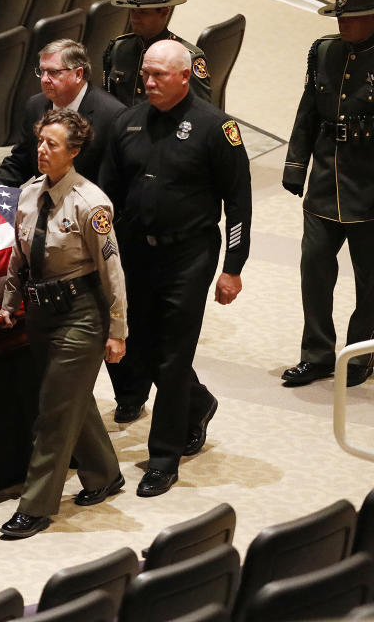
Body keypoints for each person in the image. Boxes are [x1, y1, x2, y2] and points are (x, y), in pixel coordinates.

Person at [99, 40, 251, 497]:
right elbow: (107, 197)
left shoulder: (216, 128)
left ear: (185, 76)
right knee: (139, 348)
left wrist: (233, 266)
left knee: (173, 352)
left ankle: (164, 458)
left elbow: (238, 203)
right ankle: (199, 401)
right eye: (145, 74)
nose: (147, 82)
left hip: (190, 255)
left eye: (158, 75)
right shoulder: (126, 123)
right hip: (136, 253)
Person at [0, 109, 127, 538]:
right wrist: (9, 301)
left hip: (80, 314)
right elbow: (20, 254)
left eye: (52, 144)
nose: (42, 150)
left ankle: (35, 507)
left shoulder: (91, 204)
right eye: (40, 142)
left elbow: (112, 273)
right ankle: (105, 473)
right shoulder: (30, 192)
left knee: (53, 412)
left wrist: (117, 330)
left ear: (73, 152)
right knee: (70, 398)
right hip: (40, 311)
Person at [280, 0, 374, 388]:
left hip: (369, 189)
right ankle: (316, 353)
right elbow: (308, 111)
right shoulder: (324, 52)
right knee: (314, 270)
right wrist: (295, 165)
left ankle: (361, 352)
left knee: (370, 280)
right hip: (323, 185)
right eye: (339, 17)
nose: (343, 25)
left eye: (352, 18)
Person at [0, 39, 125, 187]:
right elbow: (20, 162)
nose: (44, 79)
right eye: (42, 71)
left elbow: (114, 180)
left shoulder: (112, 115)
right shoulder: (35, 105)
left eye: (53, 72)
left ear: (78, 74)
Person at [103, 0, 211, 107]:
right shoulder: (118, 48)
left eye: (143, 12)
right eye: (132, 11)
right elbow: (107, 101)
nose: (135, 19)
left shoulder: (188, 59)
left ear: (164, 12)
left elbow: (201, 115)